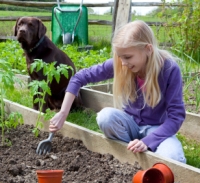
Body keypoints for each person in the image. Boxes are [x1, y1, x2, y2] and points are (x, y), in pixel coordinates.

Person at [49, 20, 186, 163]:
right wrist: (63, 113)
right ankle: (132, 154)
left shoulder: (169, 69)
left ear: (148, 49)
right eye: (120, 57)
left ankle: (145, 149)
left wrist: (148, 140)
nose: (123, 63)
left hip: (156, 130)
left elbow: (176, 116)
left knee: (174, 157)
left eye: (127, 57)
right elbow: (79, 77)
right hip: (128, 124)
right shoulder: (122, 64)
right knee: (105, 117)